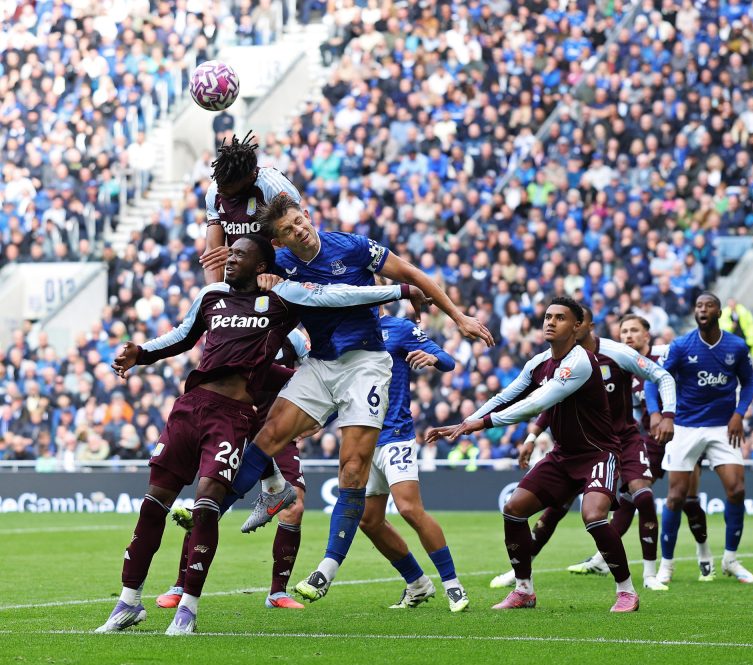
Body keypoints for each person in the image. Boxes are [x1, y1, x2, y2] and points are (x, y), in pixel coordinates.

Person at [95, 236, 423, 635]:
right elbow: (182, 336)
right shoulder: (211, 296)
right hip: (189, 408)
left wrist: (401, 290)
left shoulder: (282, 299)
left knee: (207, 505)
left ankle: (189, 608)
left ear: (261, 265)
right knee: (153, 504)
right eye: (230, 252)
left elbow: (337, 297)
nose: (230, 259)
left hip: (232, 416)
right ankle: (128, 601)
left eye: (240, 254)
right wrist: (142, 353)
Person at [227, 193, 492, 604]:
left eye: (300, 221)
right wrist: (255, 274)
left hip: (368, 369)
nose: (299, 230)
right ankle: (212, 508)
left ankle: (331, 572)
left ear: (308, 215)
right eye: (288, 230)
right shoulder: (280, 261)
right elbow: (241, 271)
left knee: (365, 480)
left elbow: (412, 274)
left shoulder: (353, 248)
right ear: (279, 241)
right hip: (320, 363)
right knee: (270, 436)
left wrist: (458, 317)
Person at [427, 297, 639, 612]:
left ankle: (627, 591)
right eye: (548, 316)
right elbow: (506, 396)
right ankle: (524, 590)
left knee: (593, 516)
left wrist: (481, 424)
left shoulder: (580, 362)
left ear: (577, 326)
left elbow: (536, 403)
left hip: (598, 454)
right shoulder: (539, 363)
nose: (551, 322)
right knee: (514, 509)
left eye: (560, 318)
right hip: (563, 455)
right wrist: (466, 422)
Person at [488, 306, 676, 591]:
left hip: (621, 441)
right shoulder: (562, 361)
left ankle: (649, 575)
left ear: (585, 326)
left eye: (568, 321)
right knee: (552, 511)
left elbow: (659, 376)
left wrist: (666, 414)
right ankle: (521, 574)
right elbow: (550, 402)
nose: (561, 326)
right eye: (552, 319)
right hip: (579, 447)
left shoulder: (616, 353)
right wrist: (532, 436)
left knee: (641, 496)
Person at [155, 328, 312, 611]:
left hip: (278, 429)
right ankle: (180, 585)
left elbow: (314, 375)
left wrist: (311, 416)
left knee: (295, 506)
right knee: (208, 505)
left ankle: (277, 592)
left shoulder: (295, 337)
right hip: (236, 423)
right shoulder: (240, 326)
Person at [567, 314, 710, 580]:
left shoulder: (665, 354)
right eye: (624, 332)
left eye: (634, 330)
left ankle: (704, 556)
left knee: (687, 499)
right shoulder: (622, 364)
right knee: (634, 496)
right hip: (652, 439)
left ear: (647, 334)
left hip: (684, 432)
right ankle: (604, 559)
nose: (628, 336)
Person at [357, 304, 470, 612]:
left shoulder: (400, 328)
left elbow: (448, 360)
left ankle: (453, 585)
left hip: (395, 434)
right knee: (369, 521)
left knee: (408, 509)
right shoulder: (347, 330)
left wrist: (434, 358)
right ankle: (417, 583)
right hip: (362, 438)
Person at [650, 292, 753, 585]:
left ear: (719, 312)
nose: (703, 309)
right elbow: (656, 379)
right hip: (685, 426)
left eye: (709, 305)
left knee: (736, 490)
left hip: (723, 427)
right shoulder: (681, 345)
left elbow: (749, 383)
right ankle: (667, 565)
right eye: (699, 305)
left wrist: (739, 414)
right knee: (676, 497)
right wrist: (657, 414)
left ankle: (730, 560)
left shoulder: (736, 346)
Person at [199, 132, 303, 284]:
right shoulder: (214, 191)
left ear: (250, 177)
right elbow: (213, 255)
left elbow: (297, 240)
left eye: (228, 186)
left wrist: (242, 253)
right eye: (219, 183)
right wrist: (214, 292)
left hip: (281, 273)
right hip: (242, 277)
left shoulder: (273, 187)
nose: (220, 190)